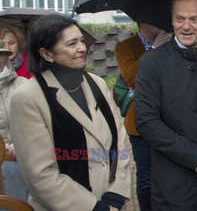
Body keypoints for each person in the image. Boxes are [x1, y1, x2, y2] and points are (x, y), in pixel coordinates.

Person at [9, 14, 131, 211]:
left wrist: (115, 194)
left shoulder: (97, 84)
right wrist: (93, 207)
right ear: (47, 54)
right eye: (72, 43)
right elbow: (40, 174)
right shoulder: (28, 98)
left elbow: (119, 140)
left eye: (82, 41)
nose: (82, 48)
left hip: (112, 203)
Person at [134, 0, 197, 210]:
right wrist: (194, 156)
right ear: (172, 19)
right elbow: (146, 121)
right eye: (180, 19)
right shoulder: (152, 63)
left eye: (194, 19)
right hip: (173, 181)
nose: (186, 26)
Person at [114, 22, 170, 211]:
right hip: (139, 122)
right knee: (146, 174)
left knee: (168, 173)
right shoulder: (124, 47)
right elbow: (130, 76)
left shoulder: (172, 42)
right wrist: (155, 48)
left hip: (169, 120)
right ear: (142, 21)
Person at [0, 43, 28, 202]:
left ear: (4, 58)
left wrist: (20, 144)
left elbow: (37, 125)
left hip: (20, 163)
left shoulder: (23, 85)